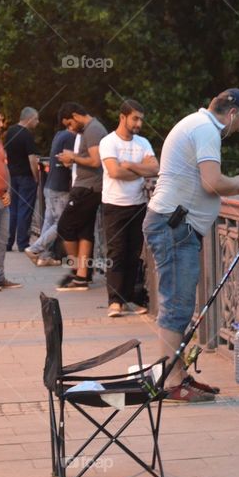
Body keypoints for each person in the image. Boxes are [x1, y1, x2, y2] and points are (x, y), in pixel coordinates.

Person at [143, 88, 239, 402]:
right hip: (176, 228)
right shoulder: (207, 130)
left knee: (178, 303)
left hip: (174, 226)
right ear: (232, 113)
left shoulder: (195, 124)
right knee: (176, 305)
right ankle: (172, 381)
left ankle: (176, 374)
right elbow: (213, 182)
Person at [99, 99, 158, 317]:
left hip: (138, 204)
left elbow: (155, 167)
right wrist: (140, 171)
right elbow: (114, 172)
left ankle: (131, 298)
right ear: (122, 117)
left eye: (141, 119)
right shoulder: (108, 142)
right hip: (114, 204)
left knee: (134, 253)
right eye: (135, 118)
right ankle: (115, 301)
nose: (139, 124)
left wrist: (131, 166)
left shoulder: (142, 142)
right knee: (117, 252)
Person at [54, 102, 108, 291]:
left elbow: (95, 160)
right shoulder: (91, 129)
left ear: (76, 116)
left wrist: (73, 158)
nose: (69, 129)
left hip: (88, 189)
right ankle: (82, 277)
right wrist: (73, 158)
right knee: (84, 232)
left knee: (64, 227)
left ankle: (76, 269)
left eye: (69, 124)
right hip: (90, 187)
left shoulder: (92, 130)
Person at [26, 118, 75, 266]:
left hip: (50, 185)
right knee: (61, 223)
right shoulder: (70, 138)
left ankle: (44, 256)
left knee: (48, 222)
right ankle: (35, 249)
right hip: (60, 188)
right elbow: (68, 162)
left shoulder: (59, 135)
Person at [0, 107, 19, 291]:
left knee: (2, 240)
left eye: (2, 120)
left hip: (2, 198)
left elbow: (3, 168)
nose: (2, 124)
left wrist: (8, 191)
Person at [4, 107, 40, 252]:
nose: (38, 122)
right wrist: (36, 177)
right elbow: (32, 159)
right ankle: (22, 243)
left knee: (13, 209)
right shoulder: (27, 135)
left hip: (12, 176)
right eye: (36, 119)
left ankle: (8, 241)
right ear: (29, 118)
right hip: (26, 176)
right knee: (25, 210)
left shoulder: (10, 132)